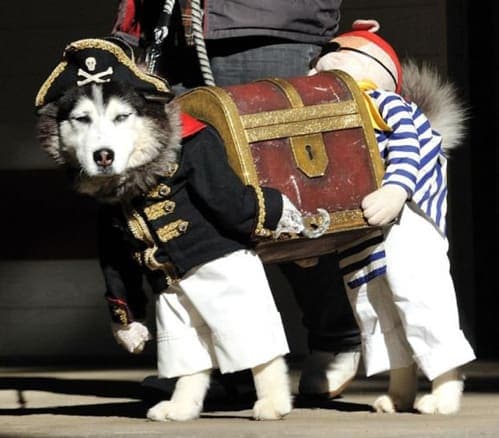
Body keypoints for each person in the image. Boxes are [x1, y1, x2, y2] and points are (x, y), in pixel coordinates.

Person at [111, 0, 362, 399]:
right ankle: (226, 365)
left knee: (289, 192)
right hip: (170, 28)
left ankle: (335, 334)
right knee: (189, 211)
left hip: (268, 25)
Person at [310, 19, 476, 413]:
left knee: (418, 291)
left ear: (370, 65)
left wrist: (396, 189)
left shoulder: (386, 104)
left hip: (407, 219)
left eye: (326, 62)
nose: (315, 70)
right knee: (373, 301)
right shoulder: (334, 120)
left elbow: (411, 144)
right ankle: (401, 383)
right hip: (361, 230)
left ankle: (447, 379)